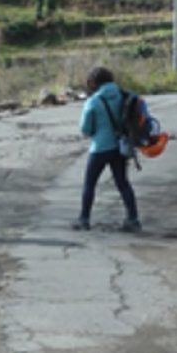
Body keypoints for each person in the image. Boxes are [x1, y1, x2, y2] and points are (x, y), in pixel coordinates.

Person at [75, 66, 140, 233]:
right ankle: (133, 219)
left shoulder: (94, 101)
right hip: (120, 146)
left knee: (90, 184)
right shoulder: (123, 95)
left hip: (99, 148)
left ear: (94, 82)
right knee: (123, 183)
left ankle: (84, 219)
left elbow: (85, 129)